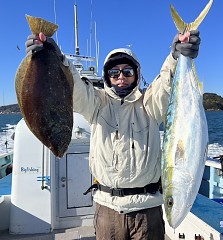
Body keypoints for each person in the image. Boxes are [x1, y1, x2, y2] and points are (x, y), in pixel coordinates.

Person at [26, 30, 200, 239]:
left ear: (137, 73)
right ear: (107, 76)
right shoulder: (96, 103)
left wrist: (176, 55)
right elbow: (75, 84)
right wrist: (54, 55)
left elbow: (165, 83)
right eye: (114, 73)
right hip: (108, 209)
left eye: (127, 72)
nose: (121, 78)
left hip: (147, 209)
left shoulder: (149, 104)